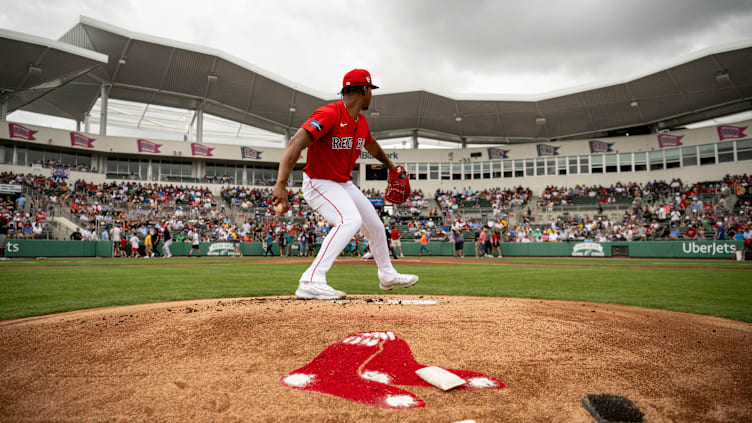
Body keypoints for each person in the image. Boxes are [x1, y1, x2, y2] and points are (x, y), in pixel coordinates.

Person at [272, 68, 418, 300]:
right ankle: (311, 280)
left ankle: (387, 274)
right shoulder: (330, 113)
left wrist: (391, 167)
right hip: (319, 181)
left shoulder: (360, 122)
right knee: (349, 220)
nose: (372, 95)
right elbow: (295, 143)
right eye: (371, 90)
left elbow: (371, 146)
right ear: (363, 90)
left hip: (342, 183)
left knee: (376, 227)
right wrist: (281, 184)